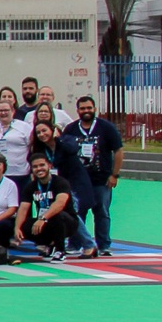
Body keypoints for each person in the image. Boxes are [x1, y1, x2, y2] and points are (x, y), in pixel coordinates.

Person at [58, 95, 124, 255]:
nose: (86, 111)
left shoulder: (106, 128)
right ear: (77, 111)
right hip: (77, 181)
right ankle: (75, 244)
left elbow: (118, 150)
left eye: (89, 108)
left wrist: (115, 174)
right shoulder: (71, 129)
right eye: (82, 108)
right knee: (76, 213)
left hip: (101, 180)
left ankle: (104, 245)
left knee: (102, 212)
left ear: (95, 109)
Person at [21, 152, 88, 262]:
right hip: (46, 222)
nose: (39, 169)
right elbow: (23, 208)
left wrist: (42, 219)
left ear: (49, 165)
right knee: (22, 224)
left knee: (57, 216)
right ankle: (49, 244)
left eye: (42, 165)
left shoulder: (60, 182)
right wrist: (17, 228)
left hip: (67, 222)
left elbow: (60, 204)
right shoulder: (31, 186)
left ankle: (60, 250)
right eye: (35, 166)